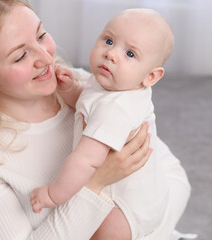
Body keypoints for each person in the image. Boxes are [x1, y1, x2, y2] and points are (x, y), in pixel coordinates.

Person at [0, 1, 153, 240]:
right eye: (20, 56)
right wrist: (96, 182)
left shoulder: (80, 87)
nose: (46, 58)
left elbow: (173, 177)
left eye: (41, 35)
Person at [31, 8, 194, 240]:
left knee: (105, 233)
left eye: (130, 54)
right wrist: (71, 90)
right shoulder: (110, 84)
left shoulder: (117, 109)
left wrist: (53, 194)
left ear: (151, 77)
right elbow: (88, 105)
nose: (111, 54)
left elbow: (85, 161)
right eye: (109, 41)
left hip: (129, 208)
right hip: (150, 193)